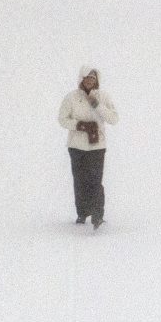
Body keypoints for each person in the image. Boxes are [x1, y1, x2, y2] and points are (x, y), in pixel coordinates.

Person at [57, 66, 118, 229]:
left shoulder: (103, 97)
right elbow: (62, 119)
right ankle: (82, 213)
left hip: (97, 146)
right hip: (77, 147)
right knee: (80, 181)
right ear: (81, 79)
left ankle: (98, 215)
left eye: (93, 79)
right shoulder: (71, 97)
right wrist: (79, 125)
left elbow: (113, 118)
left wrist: (97, 104)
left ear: (97, 80)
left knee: (96, 181)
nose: (90, 81)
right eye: (87, 78)